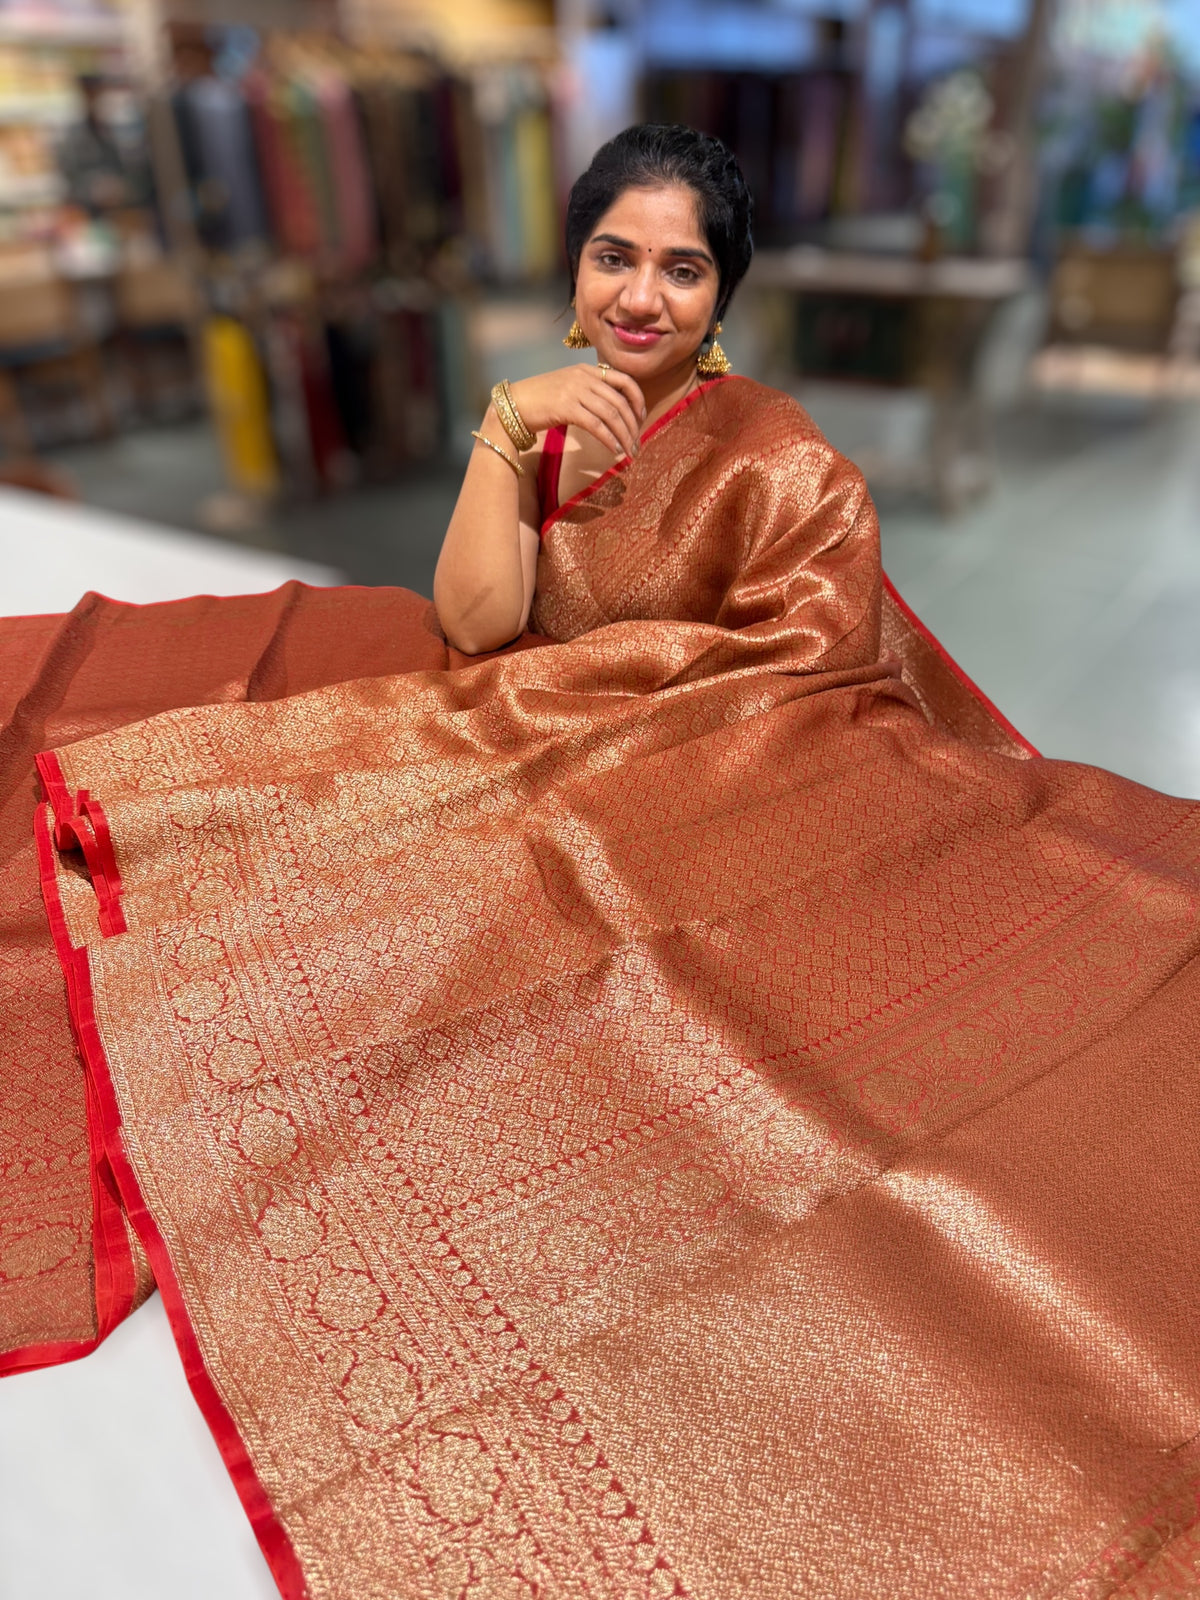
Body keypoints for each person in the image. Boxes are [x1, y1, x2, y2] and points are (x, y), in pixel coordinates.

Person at [3, 125, 1199, 1600]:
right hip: (563, 732)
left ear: (723, 294)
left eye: (681, 268)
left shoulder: (782, 461)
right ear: (573, 271)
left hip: (723, 774)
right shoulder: (553, 415)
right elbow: (475, 621)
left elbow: (811, 673)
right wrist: (505, 441)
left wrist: (596, 716)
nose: (642, 295)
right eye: (614, 256)